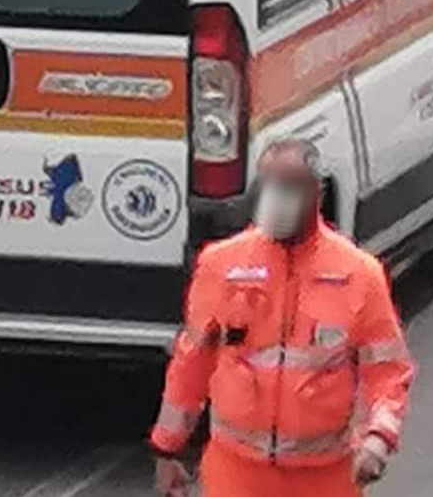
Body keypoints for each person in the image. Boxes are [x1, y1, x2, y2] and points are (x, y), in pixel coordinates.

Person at [149, 138, 415, 497]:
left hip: (324, 479)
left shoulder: (358, 275)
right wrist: (167, 449)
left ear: (316, 193)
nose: (277, 197)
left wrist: (377, 440)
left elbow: (387, 372)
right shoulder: (222, 266)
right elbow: (191, 362)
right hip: (236, 474)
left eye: (289, 186)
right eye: (269, 183)